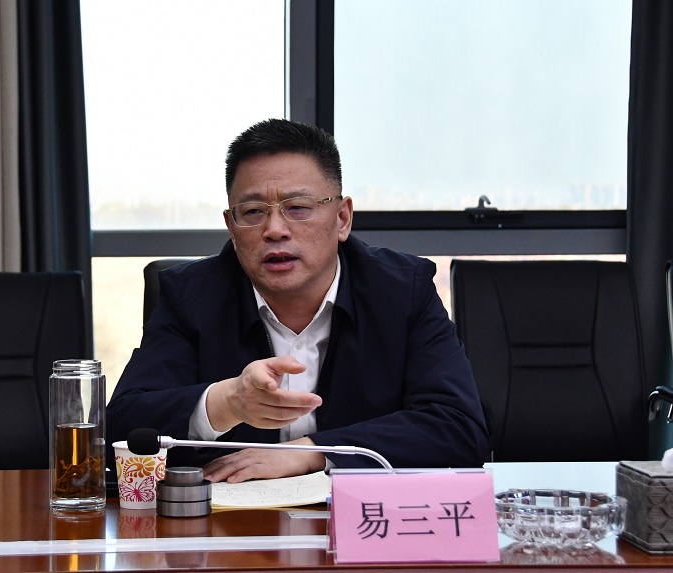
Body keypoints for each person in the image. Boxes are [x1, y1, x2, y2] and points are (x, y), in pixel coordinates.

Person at [106, 118, 489, 483]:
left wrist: (313, 452)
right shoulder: (190, 297)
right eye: (253, 212)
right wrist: (227, 403)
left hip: (361, 520)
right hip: (232, 523)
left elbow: (459, 428)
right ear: (231, 228)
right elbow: (119, 433)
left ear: (342, 218)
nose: (275, 230)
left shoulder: (402, 291)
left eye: (298, 208)